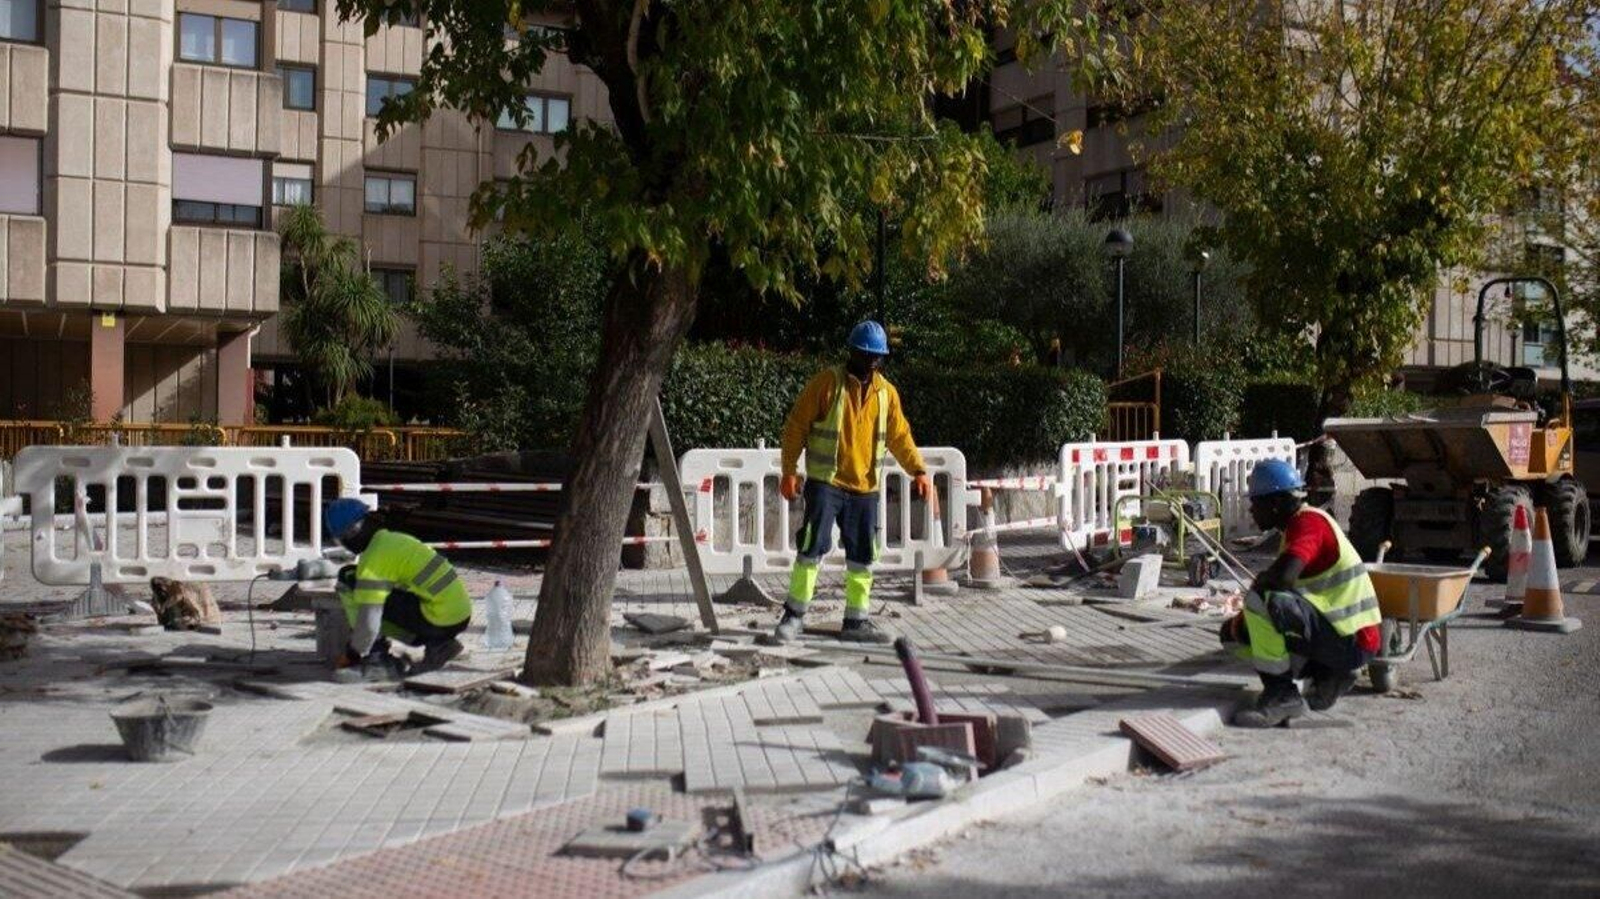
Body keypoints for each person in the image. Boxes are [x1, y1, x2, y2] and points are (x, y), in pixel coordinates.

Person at [771, 320, 931, 644]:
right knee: (811, 548)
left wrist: (918, 470)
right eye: (865, 354)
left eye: (876, 356)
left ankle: (856, 622)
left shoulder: (886, 394)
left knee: (862, 557)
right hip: (826, 482)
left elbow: (900, 436)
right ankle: (794, 616)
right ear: (852, 352)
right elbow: (796, 427)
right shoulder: (827, 384)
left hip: (865, 488)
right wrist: (789, 470)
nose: (871, 360)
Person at [1222, 460, 1383, 727]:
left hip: (1353, 639)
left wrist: (1260, 588)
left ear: (1275, 502)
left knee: (1260, 599)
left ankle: (1282, 694)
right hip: (1347, 636)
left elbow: (1282, 579)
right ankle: (1327, 674)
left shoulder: (1308, 523)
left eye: (1255, 503)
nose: (1251, 510)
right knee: (1234, 634)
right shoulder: (1298, 526)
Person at [323, 498, 472, 680]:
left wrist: (353, 653)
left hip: (437, 619)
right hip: (460, 615)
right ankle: (440, 645)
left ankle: (377, 661)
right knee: (371, 586)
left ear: (349, 535)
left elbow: (369, 620)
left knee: (349, 581)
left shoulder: (373, 561)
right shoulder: (394, 540)